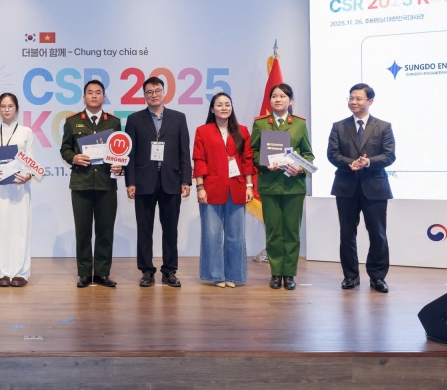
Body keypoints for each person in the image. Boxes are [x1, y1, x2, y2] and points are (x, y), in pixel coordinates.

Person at [327, 83, 396, 293]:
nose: (353, 102)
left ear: (370, 101)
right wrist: (351, 163)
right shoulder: (338, 126)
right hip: (346, 187)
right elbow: (332, 154)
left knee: (378, 234)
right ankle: (350, 276)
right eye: (351, 98)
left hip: (374, 187)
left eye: (358, 98)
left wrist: (368, 162)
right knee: (347, 233)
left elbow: (389, 155)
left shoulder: (383, 126)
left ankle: (377, 277)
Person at [124, 77, 192, 288]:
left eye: (157, 90)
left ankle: (169, 271)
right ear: (144, 95)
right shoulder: (134, 119)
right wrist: (130, 181)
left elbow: (184, 151)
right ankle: (146, 271)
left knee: (170, 229)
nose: (154, 95)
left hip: (171, 181)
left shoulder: (178, 118)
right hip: (143, 181)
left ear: (164, 92)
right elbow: (130, 154)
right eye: (149, 92)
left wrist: (186, 180)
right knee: (144, 229)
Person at [250, 83, 314, 291]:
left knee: (292, 232)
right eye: (274, 96)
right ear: (270, 100)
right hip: (270, 185)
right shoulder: (261, 124)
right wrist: (264, 163)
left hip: (293, 186)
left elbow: (308, 155)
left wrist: (300, 168)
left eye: (283, 96)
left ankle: (289, 274)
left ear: (291, 100)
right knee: (274, 231)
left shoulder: (299, 124)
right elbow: (253, 152)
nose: (278, 99)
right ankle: (276, 273)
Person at [60, 80, 123, 288]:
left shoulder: (113, 122)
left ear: (104, 97)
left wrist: (119, 165)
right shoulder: (72, 121)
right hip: (81, 184)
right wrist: (74, 157)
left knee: (105, 231)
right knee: (83, 231)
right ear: (84, 97)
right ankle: (85, 273)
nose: (94, 96)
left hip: (106, 184)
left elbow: (120, 151)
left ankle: (103, 273)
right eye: (90, 92)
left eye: (98, 92)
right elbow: (65, 148)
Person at [194, 92, 255, 288]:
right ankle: (216, 274)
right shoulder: (203, 131)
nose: (224, 108)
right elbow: (199, 160)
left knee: (236, 235)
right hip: (211, 189)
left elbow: (247, 160)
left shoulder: (242, 131)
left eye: (227, 104)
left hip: (237, 188)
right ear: (212, 109)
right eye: (219, 104)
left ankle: (234, 275)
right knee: (212, 234)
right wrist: (200, 187)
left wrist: (249, 185)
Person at [0, 93, 36, 287]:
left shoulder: (26, 132)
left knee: (20, 229)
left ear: (16, 109)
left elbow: (30, 160)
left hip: (19, 187)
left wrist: (28, 175)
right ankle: (2, 273)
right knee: (0, 229)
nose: (6, 109)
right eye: (3, 106)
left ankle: (21, 273)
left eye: (10, 106)